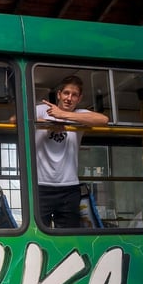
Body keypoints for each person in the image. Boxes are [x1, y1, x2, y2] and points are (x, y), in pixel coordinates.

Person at [33, 75, 109, 228]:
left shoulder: (80, 115)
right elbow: (15, 120)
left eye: (74, 95)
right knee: (38, 236)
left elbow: (103, 120)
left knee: (69, 235)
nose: (69, 98)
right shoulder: (42, 110)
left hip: (69, 187)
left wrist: (63, 116)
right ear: (59, 94)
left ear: (79, 98)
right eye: (66, 93)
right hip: (41, 186)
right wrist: (48, 123)